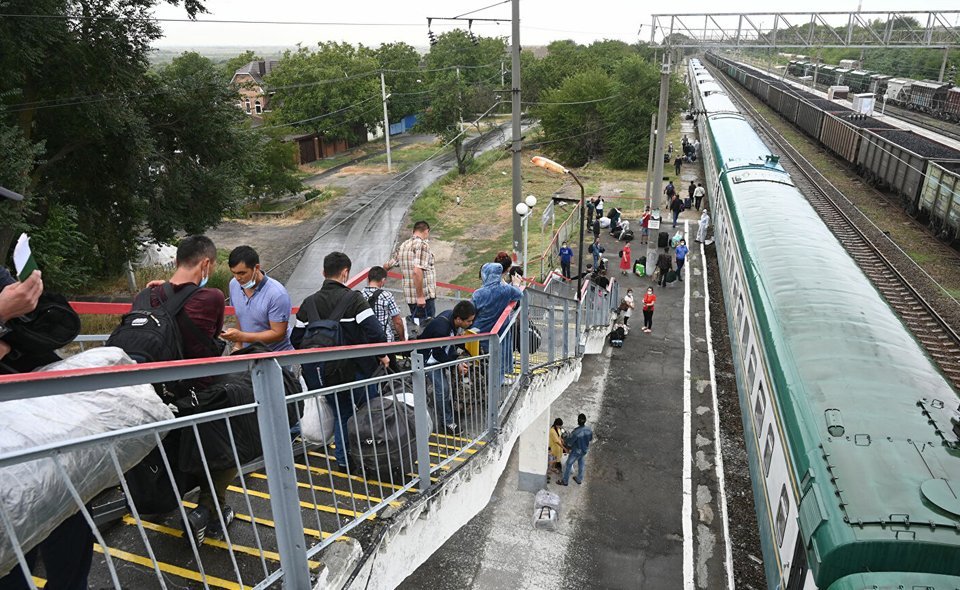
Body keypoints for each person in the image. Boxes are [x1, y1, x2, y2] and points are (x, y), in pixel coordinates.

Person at [150, 236, 230, 544]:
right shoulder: (211, 297)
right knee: (223, 452)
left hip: (159, 393)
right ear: (206, 263)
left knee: (170, 449)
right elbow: (213, 332)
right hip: (201, 394)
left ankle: (161, 500)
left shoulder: (150, 296)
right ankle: (208, 511)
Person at [291, 251, 389, 469]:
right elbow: (376, 333)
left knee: (342, 414)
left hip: (324, 373)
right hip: (357, 370)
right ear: (345, 273)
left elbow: (296, 339)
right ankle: (373, 456)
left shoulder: (309, 303)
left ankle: (344, 462)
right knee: (369, 412)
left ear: (323, 272)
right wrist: (382, 355)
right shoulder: (354, 299)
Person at [418, 300, 476, 434]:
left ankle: (448, 412)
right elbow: (438, 355)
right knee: (442, 390)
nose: (470, 324)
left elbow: (448, 345)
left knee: (445, 388)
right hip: (429, 361)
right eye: (468, 321)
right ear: (458, 319)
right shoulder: (441, 329)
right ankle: (447, 422)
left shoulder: (450, 317)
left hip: (438, 355)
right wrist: (457, 363)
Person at [221, 245, 293, 352]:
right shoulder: (234, 285)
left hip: (274, 355)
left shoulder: (277, 294)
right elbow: (240, 316)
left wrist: (241, 337)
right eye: (234, 273)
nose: (238, 278)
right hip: (249, 353)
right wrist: (238, 345)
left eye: (242, 273)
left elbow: (278, 334)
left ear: (257, 268)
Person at [471, 263, 523, 381]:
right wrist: (515, 284)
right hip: (499, 330)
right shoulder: (506, 290)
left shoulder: (478, 293)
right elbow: (519, 294)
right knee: (499, 357)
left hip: (480, 332)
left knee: (483, 359)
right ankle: (499, 380)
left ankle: (485, 383)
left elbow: (471, 311)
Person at [385, 220, 436, 323]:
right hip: (423, 298)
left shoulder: (403, 245)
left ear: (413, 231)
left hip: (410, 297)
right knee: (427, 328)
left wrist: (378, 275)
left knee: (415, 327)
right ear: (426, 231)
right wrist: (421, 297)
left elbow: (388, 265)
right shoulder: (422, 245)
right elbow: (417, 271)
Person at [360, 266, 405, 342]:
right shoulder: (387, 296)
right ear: (383, 280)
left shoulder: (359, 295)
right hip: (384, 339)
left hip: (365, 340)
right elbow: (397, 322)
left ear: (368, 279)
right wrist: (402, 339)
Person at [558, 413, 593, 486]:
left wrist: (565, 437)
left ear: (578, 421)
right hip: (584, 450)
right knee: (581, 463)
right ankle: (579, 479)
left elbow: (569, 442)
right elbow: (590, 439)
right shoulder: (589, 430)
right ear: (585, 421)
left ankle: (565, 481)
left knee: (568, 464)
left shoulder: (576, 432)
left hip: (576, 452)